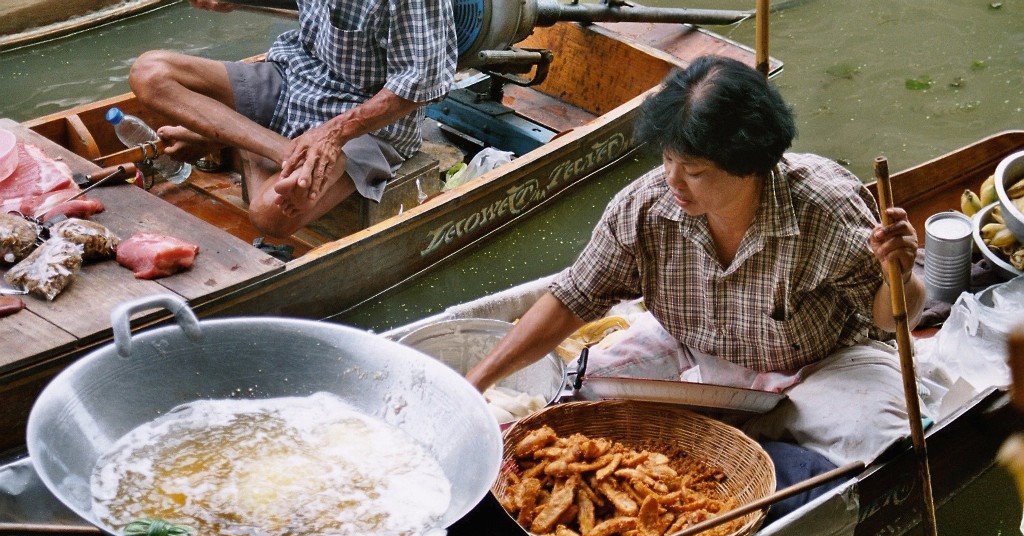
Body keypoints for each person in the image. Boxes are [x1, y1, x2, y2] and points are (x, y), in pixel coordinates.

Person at [467, 55, 927, 468]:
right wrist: (479, 380)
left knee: (878, 435)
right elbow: (574, 298)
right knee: (581, 399)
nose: (674, 182)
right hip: (693, 347)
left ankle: (765, 452)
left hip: (817, 367)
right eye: (668, 160)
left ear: (752, 165)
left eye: (696, 171)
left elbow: (890, 320)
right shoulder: (645, 207)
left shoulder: (824, 207)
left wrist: (900, 274)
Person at [128, 0, 457, 238]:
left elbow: (422, 83)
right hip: (296, 76)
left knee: (270, 216)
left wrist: (331, 135)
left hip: (366, 121)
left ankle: (247, 142)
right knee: (150, 73)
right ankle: (284, 150)